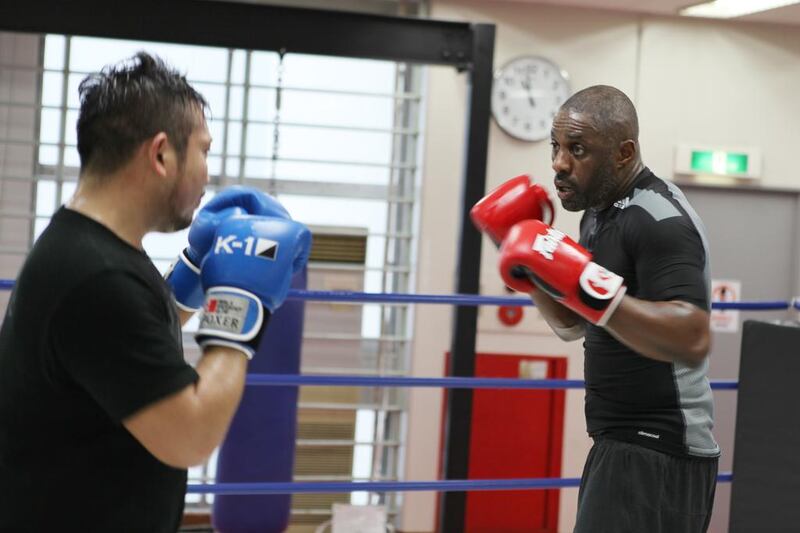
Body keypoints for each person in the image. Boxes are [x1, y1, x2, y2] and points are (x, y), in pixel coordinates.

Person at [0, 52, 311, 532]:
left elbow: (131, 340)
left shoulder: (90, 248)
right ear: (162, 153)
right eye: (203, 151)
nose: (208, 172)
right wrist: (239, 304)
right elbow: (190, 435)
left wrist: (195, 268)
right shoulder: (95, 278)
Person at [473, 85, 719, 532]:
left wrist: (585, 285)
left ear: (624, 153)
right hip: (621, 443)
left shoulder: (658, 219)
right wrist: (531, 270)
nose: (559, 163)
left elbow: (693, 335)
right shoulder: (600, 215)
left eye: (578, 149)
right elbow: (576, 322)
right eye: (556, 146)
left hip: (658, 450)